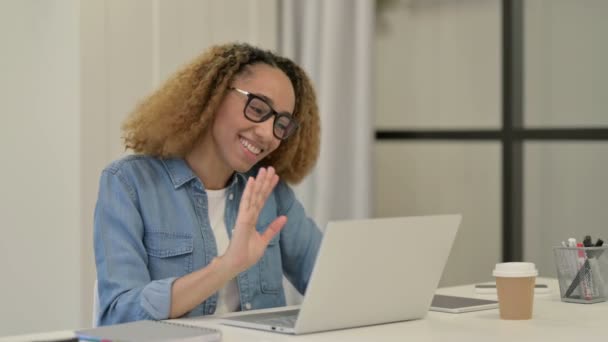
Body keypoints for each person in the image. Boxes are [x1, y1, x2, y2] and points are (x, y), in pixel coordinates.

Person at [93, 42, 322, 326]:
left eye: (281, 124)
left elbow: (331, 283)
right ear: (213, 96)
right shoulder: (129, 184)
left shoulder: (271, 193)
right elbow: (119, 314)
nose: (267, 133)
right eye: (258, 107)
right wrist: (226, 267)